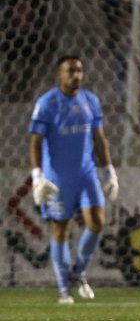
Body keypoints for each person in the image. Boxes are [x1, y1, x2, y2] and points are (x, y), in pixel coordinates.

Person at [29, 56, 118, 304]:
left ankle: (78, 273)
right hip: (57, 176)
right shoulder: (46, 103)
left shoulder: (91, 100)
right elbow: (35, 141)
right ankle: (63, 290)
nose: (75, 75)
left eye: (79, 70)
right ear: (60, 74)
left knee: (98, 222)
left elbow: (99, 138)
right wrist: (37, 176)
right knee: (60, 228)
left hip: (86, 173)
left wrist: (109, 170)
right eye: (70, 71)